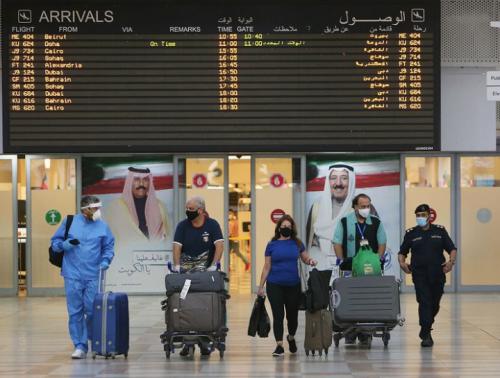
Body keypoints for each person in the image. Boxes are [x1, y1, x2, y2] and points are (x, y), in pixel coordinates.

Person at [50, 195, 115, 359]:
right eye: (95, 208)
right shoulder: (70, 222)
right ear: (85, 209)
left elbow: (108, 246)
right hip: (72, 274)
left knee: (93, 310)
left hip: (93, 275)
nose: (98, 211)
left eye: (98, 208)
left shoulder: (103, 226)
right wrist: (65, 245)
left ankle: (94, 340)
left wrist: (106, 260)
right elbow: (55, 244)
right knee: (75, 312)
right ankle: (80, 345)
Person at [398, 204, 457, 347]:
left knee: (434, 304)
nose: (420, 218)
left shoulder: (440, 231)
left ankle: (425, 326)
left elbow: (452, 249)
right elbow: (402, 252)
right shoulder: (411, 233)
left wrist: (451, 262)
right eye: (418, 215)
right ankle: (426, 334)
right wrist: (402, 263)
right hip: (419, 274)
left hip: (438, 273)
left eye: (423, 215)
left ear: (429, 216)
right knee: (424, 302)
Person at [258, 215, 317, 357]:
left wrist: (311, 260)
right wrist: (261, 286)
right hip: (274, 285)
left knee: (292, 316)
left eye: (289, 227)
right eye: (283, 227)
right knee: (278, 316)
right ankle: (279, 345)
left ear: (292, 229)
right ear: (278, 228)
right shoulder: (271, 245)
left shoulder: (297, 243)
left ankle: (291, 337)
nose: (286, 229)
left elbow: (305, 257)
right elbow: (267, 266)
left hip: (293, 285)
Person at [172, 196, 224, 356]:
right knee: (185, 305)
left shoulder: (212, 225)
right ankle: (188, 342)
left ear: (200, 211)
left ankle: (205, 341)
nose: (188, 212)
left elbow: (219, 246)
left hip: (206, 274)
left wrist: (214, 265)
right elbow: (176, 248)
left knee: (206, 306)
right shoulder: (182, 226)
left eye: (191, 209)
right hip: (186, 273)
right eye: (187, 209)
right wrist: (177, 267)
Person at [333, 193, 387, 345]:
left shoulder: (375, 222)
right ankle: (350, 332)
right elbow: (337, 242)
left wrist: (378, 259)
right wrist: (342, 260)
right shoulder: (345, 222)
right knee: (350, 299)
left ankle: (365, 333)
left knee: (368, 299)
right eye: (363, 206)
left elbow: (382, 241)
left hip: (370, 269)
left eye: (368, 206)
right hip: (350, 268)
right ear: (355, 207)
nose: (366, 209)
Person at [306, 163, 356, 271]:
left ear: (351, 181)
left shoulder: (359, 209)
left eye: (344, 178)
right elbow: (308, 242)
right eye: (333, 178)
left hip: (349, 270)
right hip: (320, 269)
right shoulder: (316, 208)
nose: (338, 183)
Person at [105, 166, 170, 241]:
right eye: (136, 179)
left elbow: (166, 235)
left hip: (154, 251)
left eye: (145, 179)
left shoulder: (160, 206)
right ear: (130, 182)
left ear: (149, 182)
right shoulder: (116, 207)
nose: (141, 184)